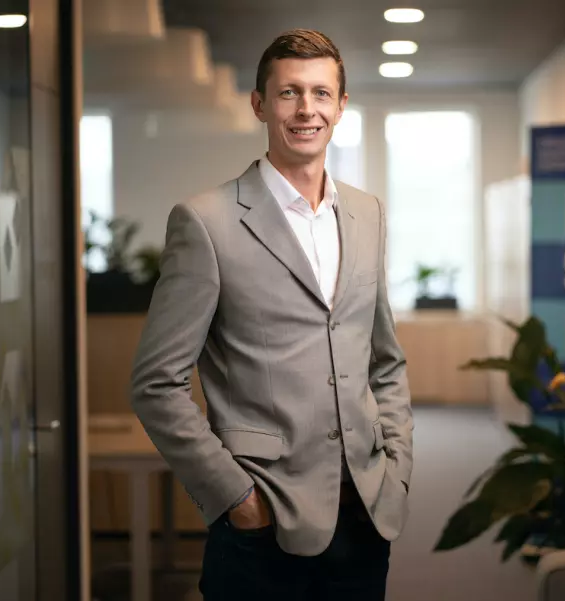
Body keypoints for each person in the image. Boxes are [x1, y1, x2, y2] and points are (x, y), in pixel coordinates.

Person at [130, 28, 413, 601]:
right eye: (289, 93)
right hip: (263, 525)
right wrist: (235, 497)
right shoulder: (206, 221)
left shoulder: (368, 213)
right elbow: (155, 384)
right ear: (260, 104)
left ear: (341, 105)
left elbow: (384, 360)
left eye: (321, 93)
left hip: (366, 513)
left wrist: (397, 470)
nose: (307, 109)